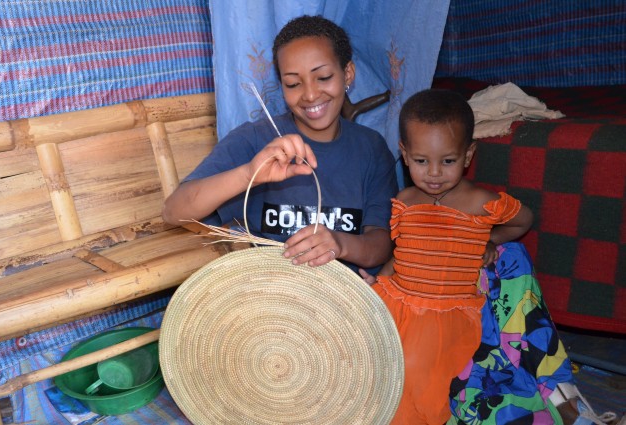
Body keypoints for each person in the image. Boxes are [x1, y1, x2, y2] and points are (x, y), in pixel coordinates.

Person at [162, 15, 397, 273]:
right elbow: (174, 212)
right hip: (271, 296)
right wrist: (249, 173)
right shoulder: (255, 140)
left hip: (341, 301)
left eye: (323, 77)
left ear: (347, 73)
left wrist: (340, 243)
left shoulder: (371, 148)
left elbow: (381, 244)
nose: (309, 94)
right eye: (293, 83)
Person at [370, 88, 534, 424]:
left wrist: (491, 238)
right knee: (369, 362)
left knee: (415, 374)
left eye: (448, 161)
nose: (433, 173)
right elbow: (402, 255)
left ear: (468, 154)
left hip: (446, 315)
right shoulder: (406, 199)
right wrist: (375, 288)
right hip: (398, 302)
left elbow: (524, 219)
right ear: (404, 153)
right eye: (420, 161)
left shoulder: (479, 201)